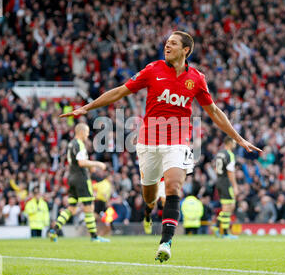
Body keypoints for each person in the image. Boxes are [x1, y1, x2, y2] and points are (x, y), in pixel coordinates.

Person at [60, 31, 260, 262]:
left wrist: (239, 138)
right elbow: (120, 91)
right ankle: (148, 211)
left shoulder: (196, 78)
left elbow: (214, 111)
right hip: (147, 143)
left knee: (174, 186)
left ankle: (165, 242)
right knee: (150, 196)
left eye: (173, 43)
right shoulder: (152, 69)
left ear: (186, 50)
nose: (168, 46)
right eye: (166, 43)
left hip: (177, 141)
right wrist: (87, 107)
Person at [49, 123, 109, 242]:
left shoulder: (71, 144)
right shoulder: (79, 144)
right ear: (81, 132)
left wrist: (90, 167)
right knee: (89, 207)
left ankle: (54, 230)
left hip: (71, 177)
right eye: (86, 132)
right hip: (81, 179)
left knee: (71, 208)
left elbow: (79, 161)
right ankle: (94, 237)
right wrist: (97, 164)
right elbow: (81, 162)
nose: (87, 135)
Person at [214, 137, 239, 239]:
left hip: (219, 180)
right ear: (229, 143)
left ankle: (217, 227)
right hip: (225, 182)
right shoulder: (230, 154)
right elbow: (230, 172)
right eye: (234, 142)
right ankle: (224, 233)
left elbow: (216, 169)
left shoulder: (220, 153)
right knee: (227, 207)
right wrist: (235, 186)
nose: (235, 144)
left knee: (230, 206)